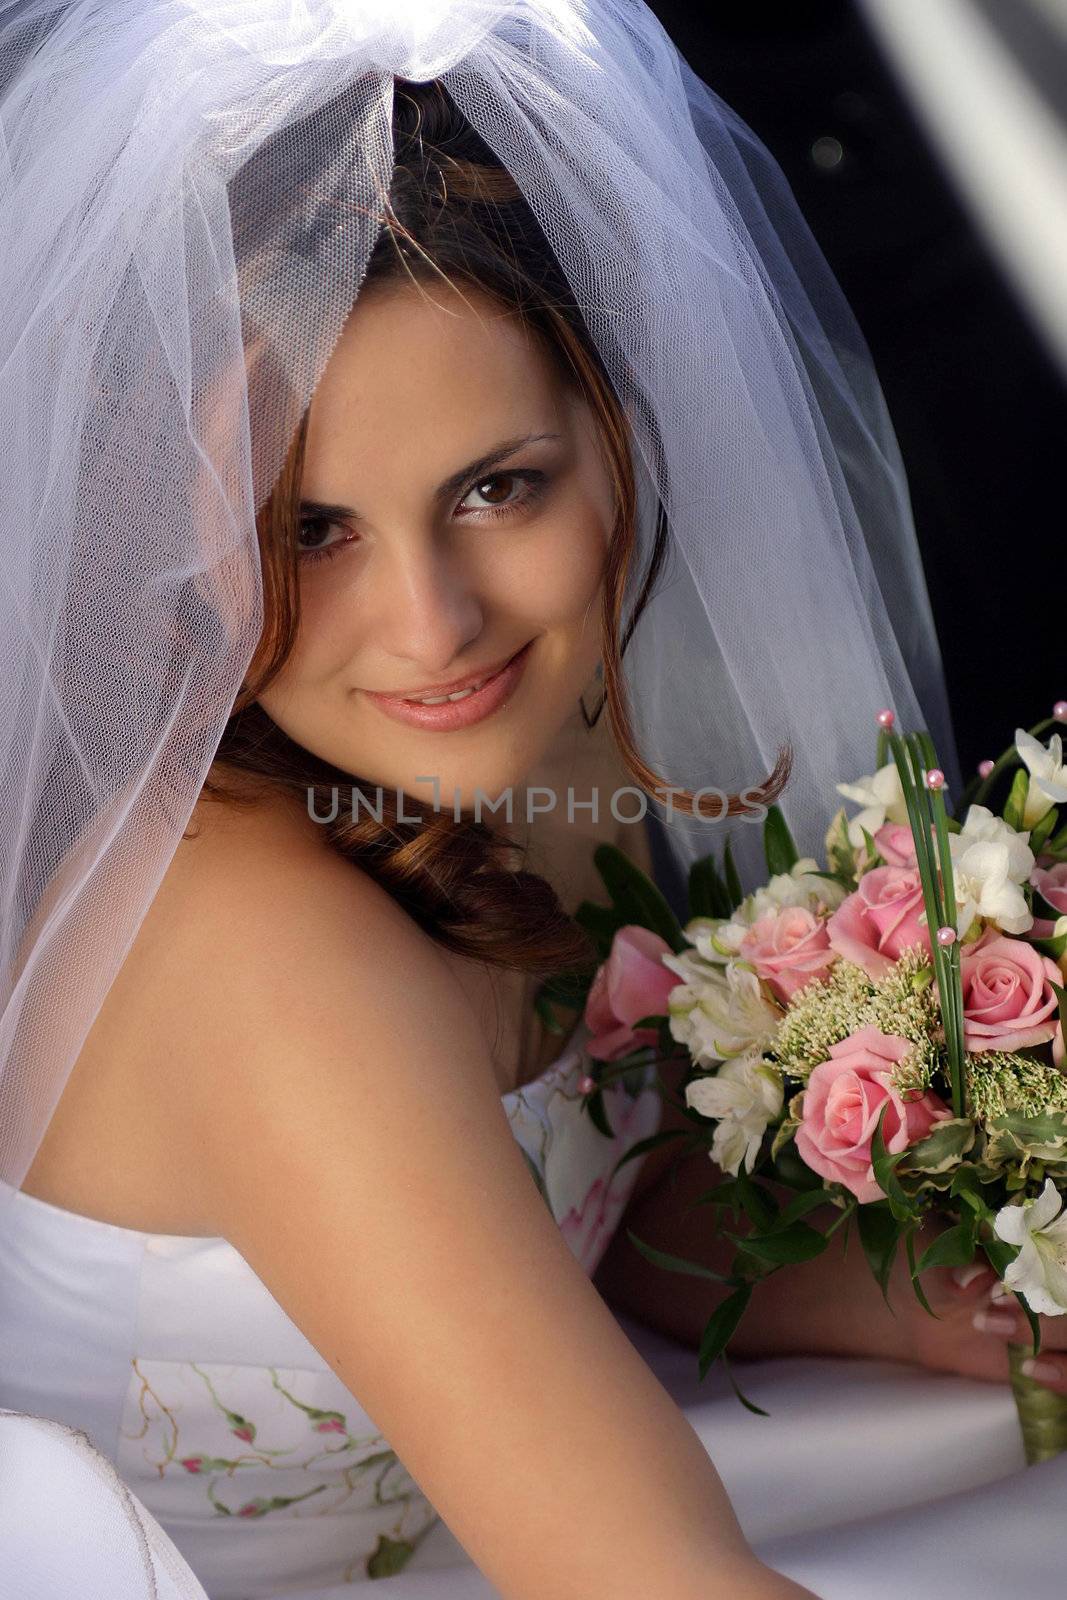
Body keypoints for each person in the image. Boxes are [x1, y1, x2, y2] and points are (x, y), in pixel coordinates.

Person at [0, 3, 952, 1596]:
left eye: (497, 489)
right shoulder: (252, 953)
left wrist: (901, 1280)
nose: (434, 627)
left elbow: (601, 1177)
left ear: (617, 429)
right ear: (180, 525)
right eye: (309, 529)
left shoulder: (518, 747)